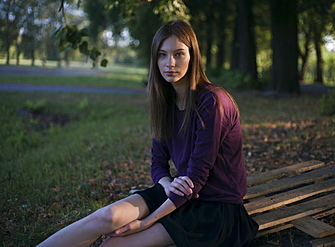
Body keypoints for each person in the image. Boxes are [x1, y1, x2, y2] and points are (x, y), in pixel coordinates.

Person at [38, 20, 258, 247]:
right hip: (178, 191)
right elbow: (158, 163)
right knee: (107, 217)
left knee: (112, 245)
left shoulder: (212, 102)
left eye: (178, 54)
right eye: (162, 55)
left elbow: (197, 176)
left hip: (214, 209)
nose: (169, 63)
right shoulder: (166, 103)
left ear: (193, 56)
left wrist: (147, 222)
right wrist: (165, 184)